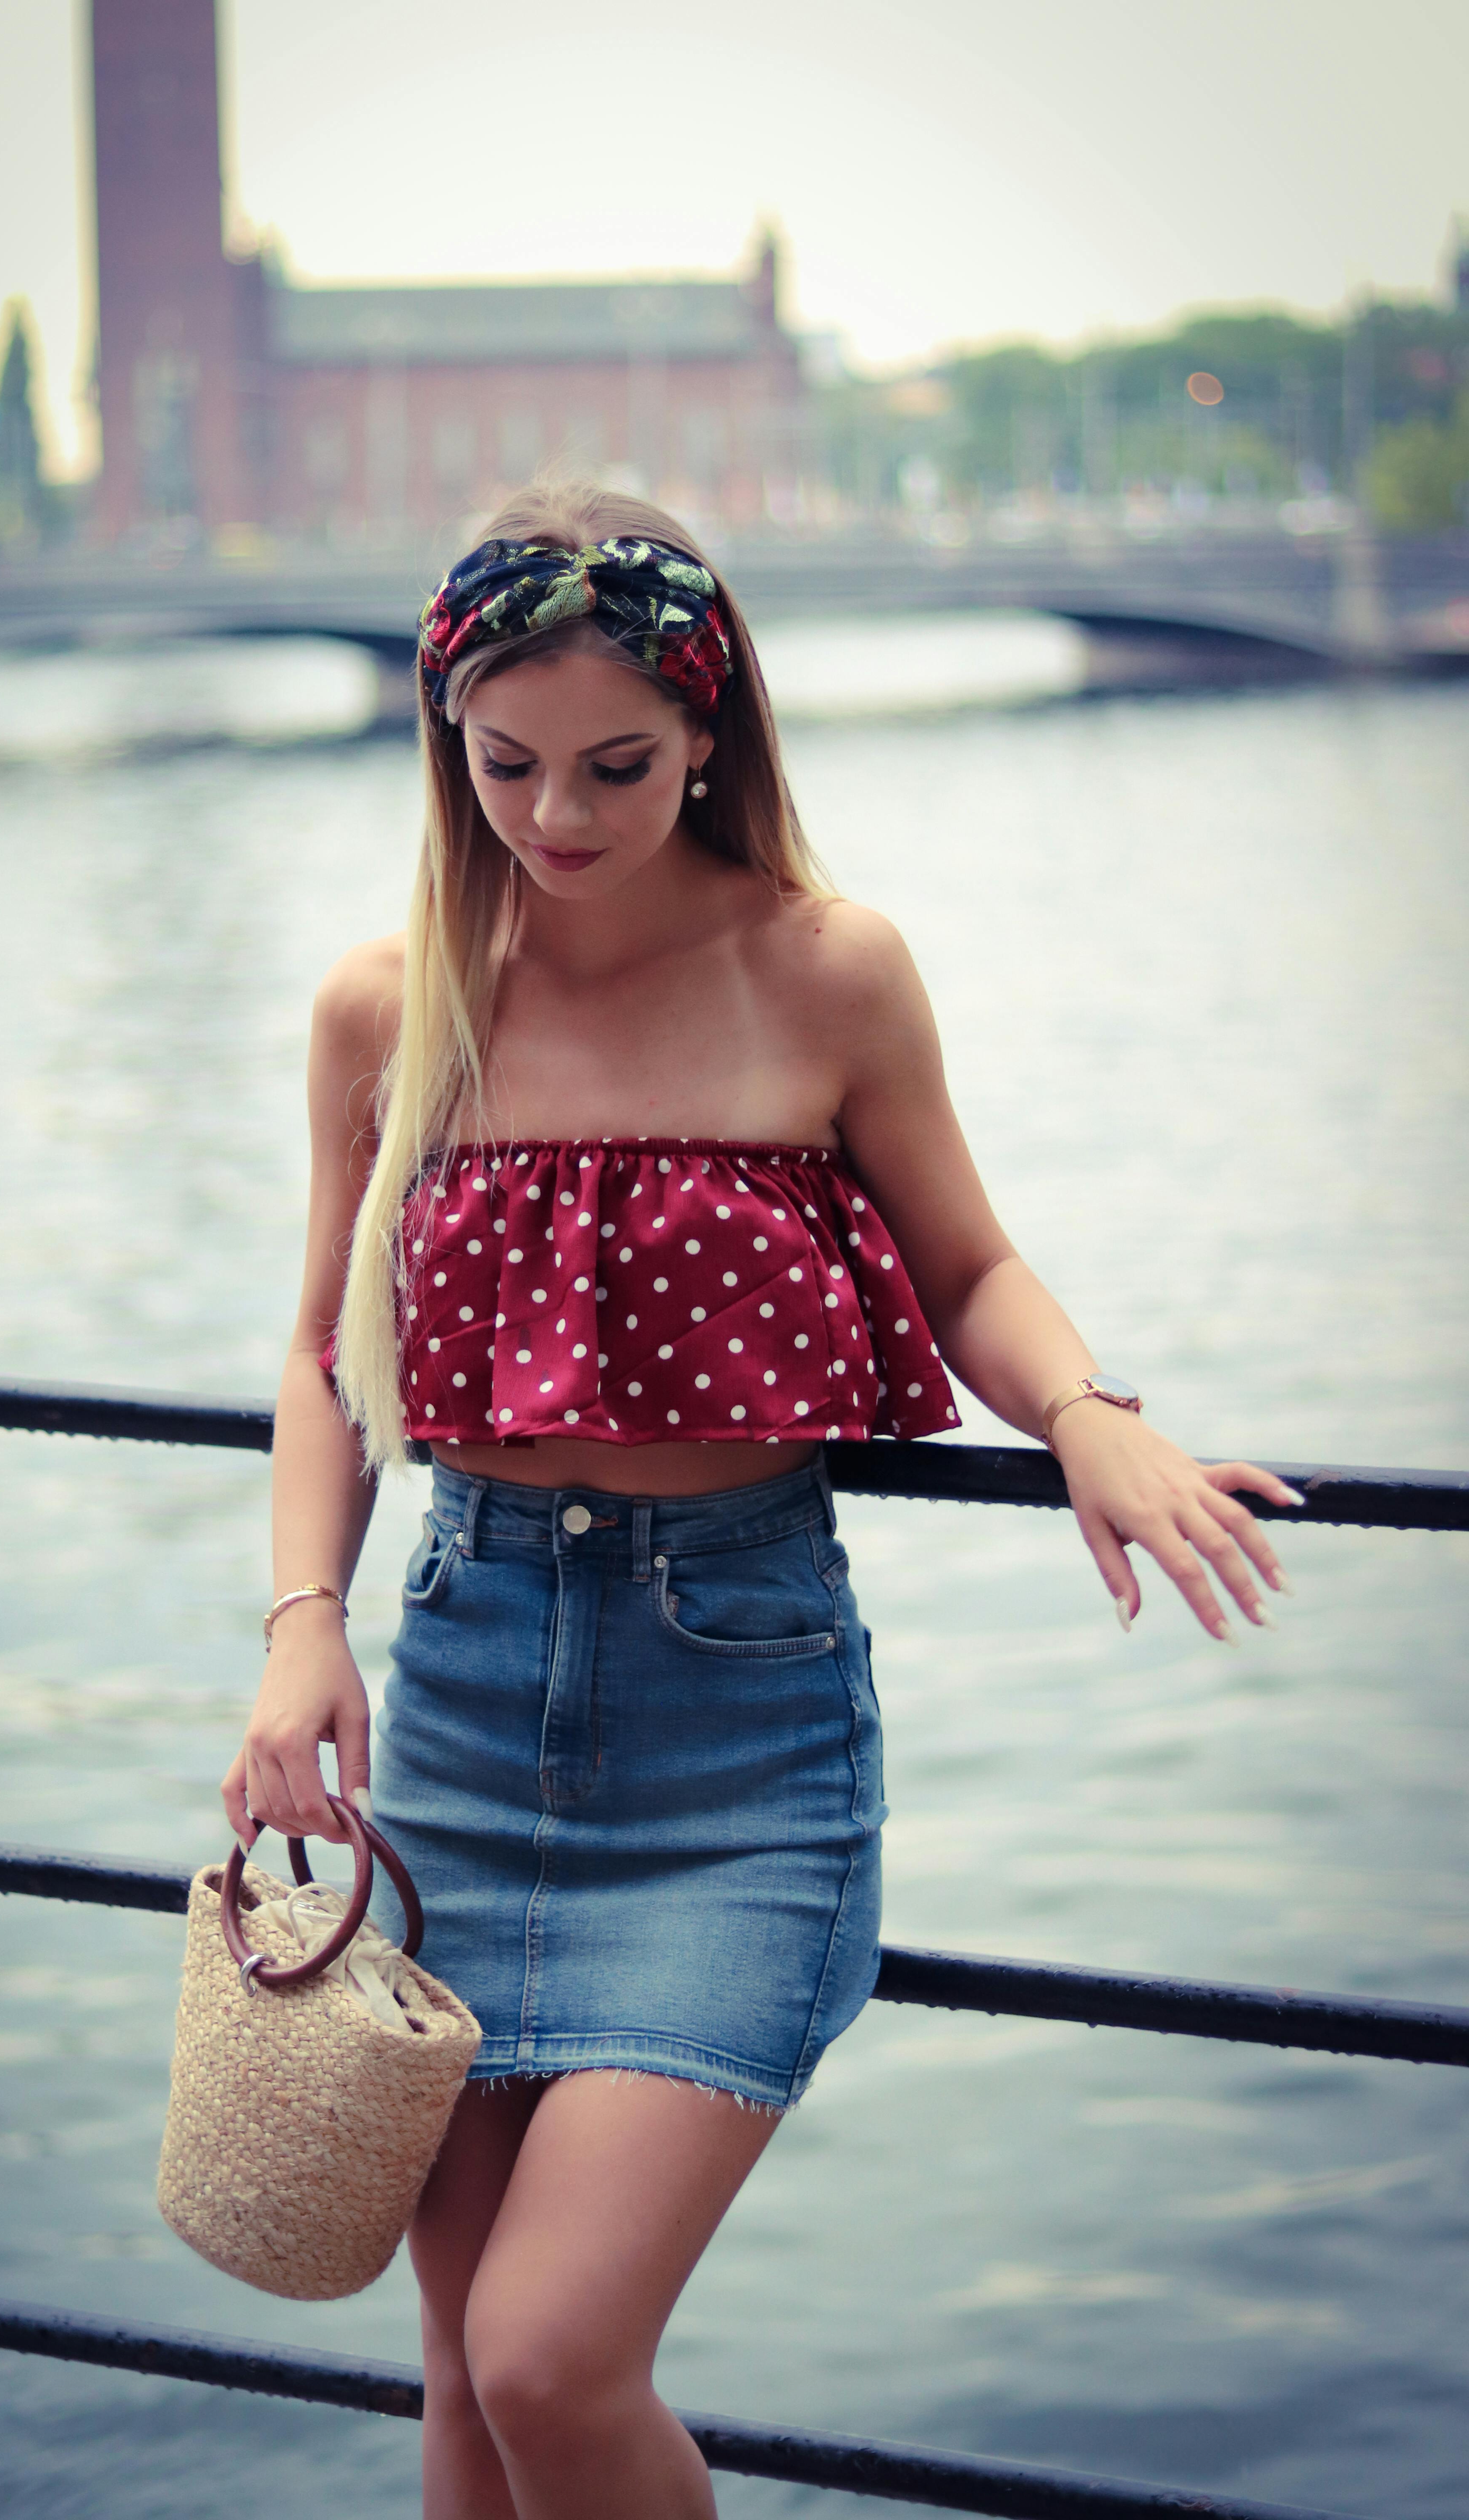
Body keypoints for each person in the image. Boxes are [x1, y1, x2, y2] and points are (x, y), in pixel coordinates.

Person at [222, 481, 1302, 2520]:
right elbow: (316, 1351)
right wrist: (302, 1630)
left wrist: (1083, 1411)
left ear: (710, 729)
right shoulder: (389, 1005)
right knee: (462, 2380)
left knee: (553, 2357)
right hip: (457, 1702)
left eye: (618, 763)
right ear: (445, 737)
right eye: (507, 762)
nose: (558, 812)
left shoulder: (827, 971)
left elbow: (970, 1266)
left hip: (739, 1729)